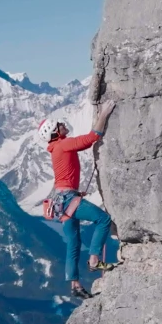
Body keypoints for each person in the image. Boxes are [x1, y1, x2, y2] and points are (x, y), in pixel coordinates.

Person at [41, 100, 117, 299]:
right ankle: (94, 259)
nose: (64, 124)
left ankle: (75, 284)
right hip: (67, 198)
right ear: (55, 132)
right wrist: (104, 114)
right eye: (60, 125)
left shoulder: (56, 148)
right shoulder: (63, 145)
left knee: (73, 242)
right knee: (103, 220)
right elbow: (93, 137)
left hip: (62, 199)